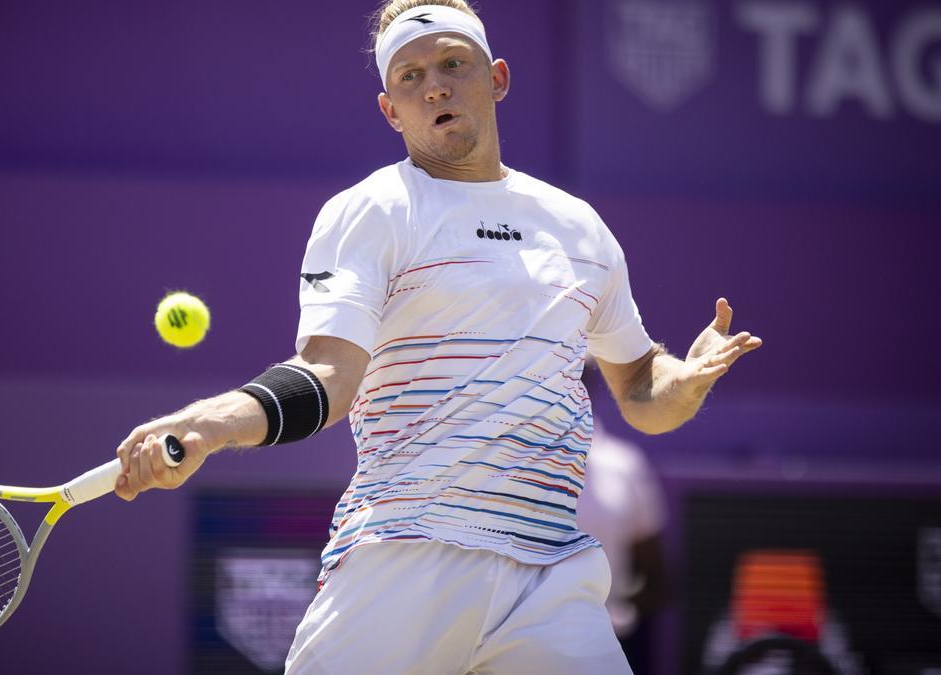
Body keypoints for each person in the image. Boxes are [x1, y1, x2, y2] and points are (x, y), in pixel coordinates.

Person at [112, 2, 762, 673]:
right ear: (391, 110)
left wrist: (681, 383)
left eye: (453, 64)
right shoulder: (371, 211)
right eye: (411, 77)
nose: (435, 87)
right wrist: (211, 424)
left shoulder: (580, 228)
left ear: (497, 78)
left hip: (550, 575)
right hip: (406, 554)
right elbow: (327, 378)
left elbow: (640, 386)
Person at [578, 361, 669, 675]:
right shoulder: (506, 466)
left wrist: (617, 615)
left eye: (580, 375)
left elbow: (656, 577)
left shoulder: (625, 466)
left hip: (606, 648)